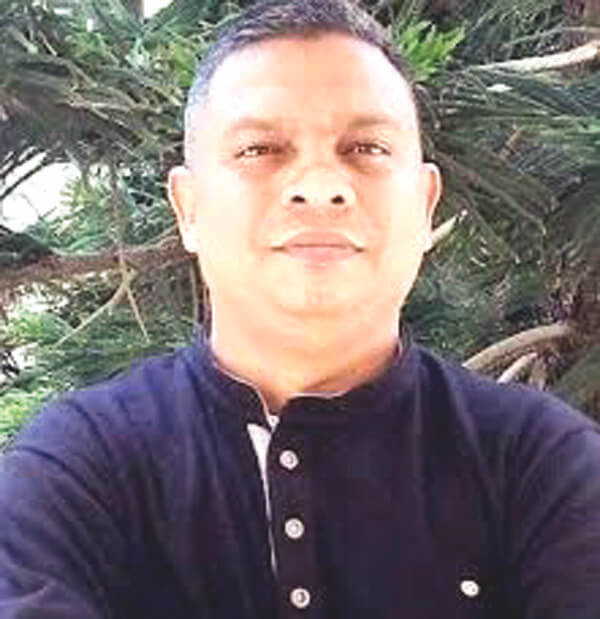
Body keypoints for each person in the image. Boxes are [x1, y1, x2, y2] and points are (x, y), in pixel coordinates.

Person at [1, 1, 600, 617]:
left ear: (425, 206)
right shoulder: (74, 470)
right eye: (261, 149)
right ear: (188, 208)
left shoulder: (542, 465)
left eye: (366, 147)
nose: (319, 185)